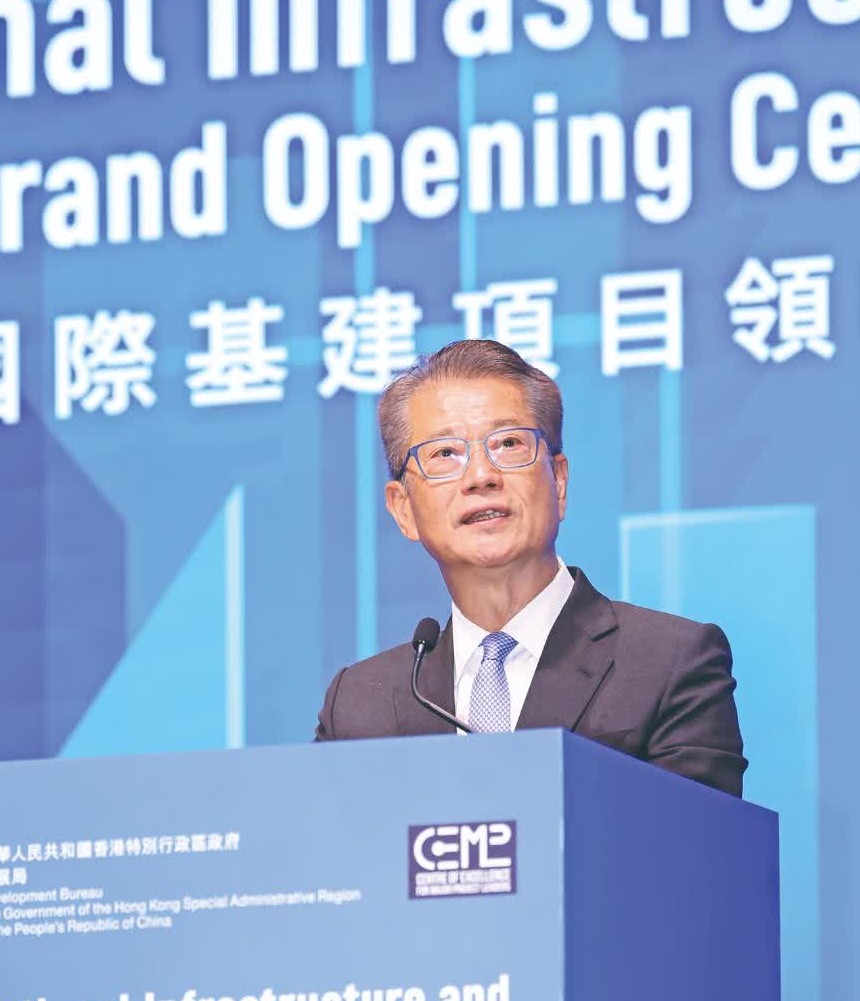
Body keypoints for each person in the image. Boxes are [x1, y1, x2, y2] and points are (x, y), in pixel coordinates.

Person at [314, 339, 747, 797]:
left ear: (558, 481)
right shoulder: (358, 706)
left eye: (508, 444)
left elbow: (696, 839)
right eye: (445, 454)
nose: (481, 476)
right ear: (403, 509)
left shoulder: (669, 663)